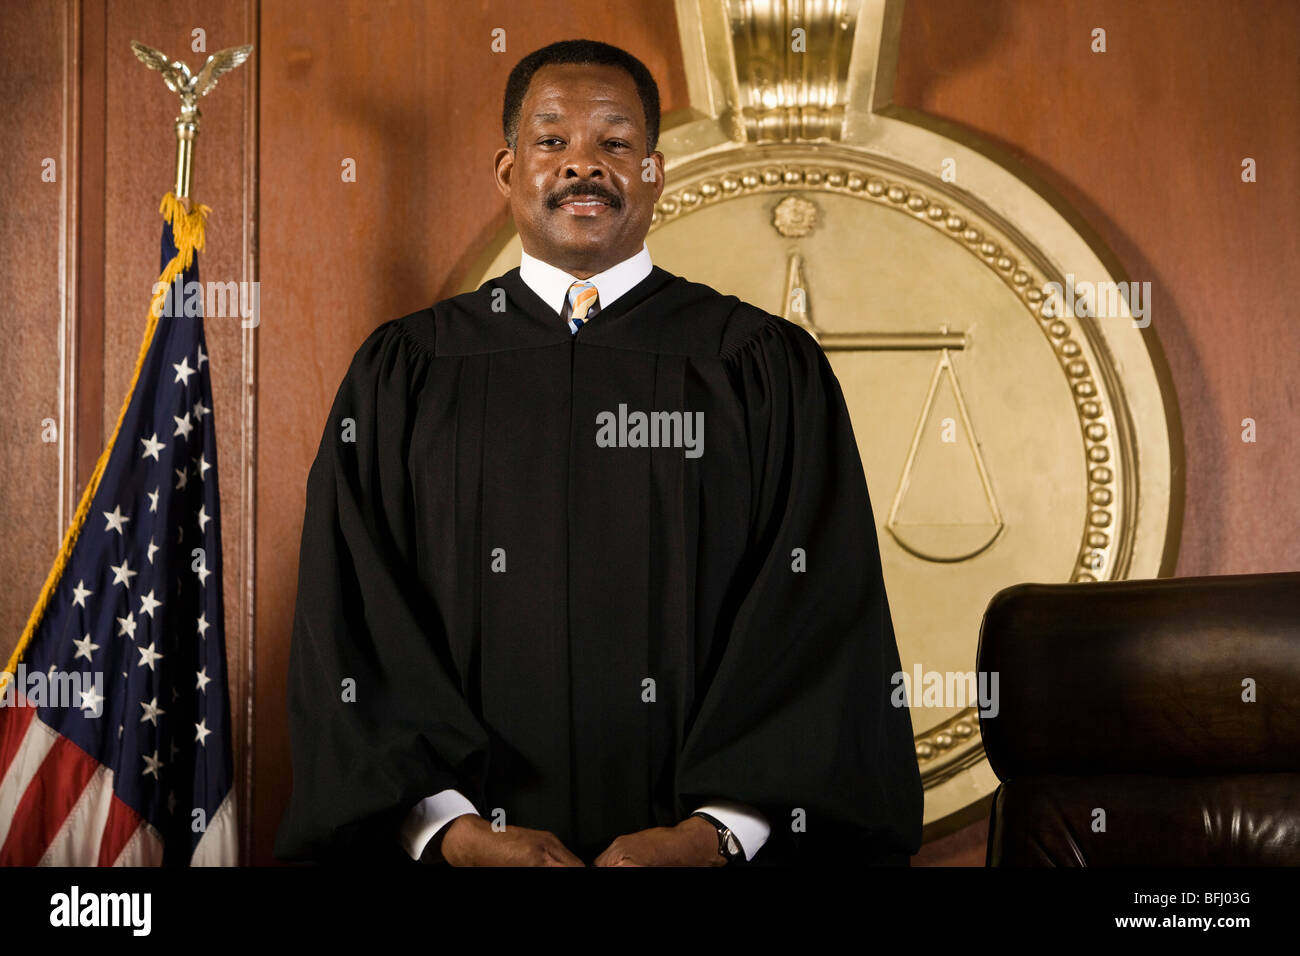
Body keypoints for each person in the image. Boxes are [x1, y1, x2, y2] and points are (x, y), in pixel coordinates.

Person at [274, 38, 922, 867]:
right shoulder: (408, 372)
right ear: (508, 172)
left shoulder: (760, 367)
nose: (584, 166)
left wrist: (717, 833)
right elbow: (352, 613)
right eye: (552, 141)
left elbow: (819, 618)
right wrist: (451, 833)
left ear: (655, 173)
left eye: (615, 143)